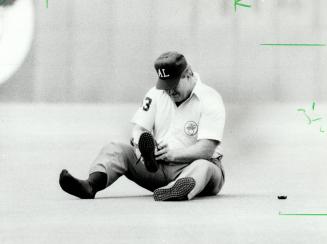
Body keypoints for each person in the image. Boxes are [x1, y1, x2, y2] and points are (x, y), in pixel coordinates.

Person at [59, 51, 226, 201]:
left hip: (197, 168)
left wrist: (173, 155)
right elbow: (139, 129)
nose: (169, 91)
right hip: (159, 168)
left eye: (173, 85)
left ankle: (178, 189)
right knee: (116, 148)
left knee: (203, 167)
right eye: (166, 86)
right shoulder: (155, 94)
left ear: (188, 74)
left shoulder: (210, 99)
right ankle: (90, 186)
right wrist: (144, 147)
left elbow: (206, 149)